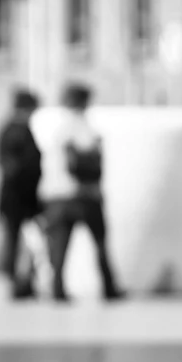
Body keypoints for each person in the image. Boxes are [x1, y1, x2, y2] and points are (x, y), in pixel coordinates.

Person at [33, 81, 125, 304]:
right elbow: (86, 160)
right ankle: (109, 287)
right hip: (83, 195)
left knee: (59, 247)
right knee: (100, 243)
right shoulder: (82, 126)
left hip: (56, 196)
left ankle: (57, 289)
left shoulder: (54, 126)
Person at [0, 89, 45, 300]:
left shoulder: (8, 129)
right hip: (19, 197)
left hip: (15, 196)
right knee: (18, 242)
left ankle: (21, 281)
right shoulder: (18, 131)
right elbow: (21, 167)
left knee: (17, 241)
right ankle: (19, 282)